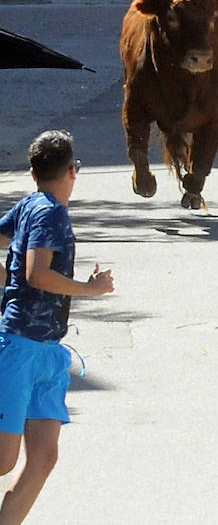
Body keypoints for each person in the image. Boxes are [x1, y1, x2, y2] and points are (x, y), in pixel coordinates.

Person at [0, 130, 115, 523]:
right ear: (72, 171)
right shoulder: (49, 212)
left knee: (43, 458)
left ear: (34, 174)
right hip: (20, 347)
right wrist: (89, 288)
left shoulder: (31, 204)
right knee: (3, 459)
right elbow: (37, 274)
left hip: (48, 352)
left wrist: (6, 280)